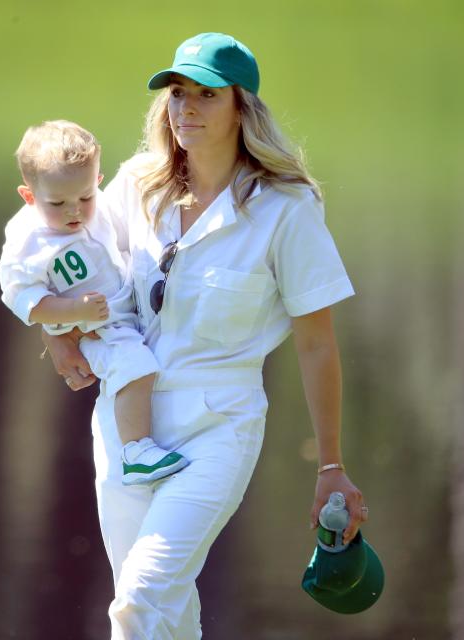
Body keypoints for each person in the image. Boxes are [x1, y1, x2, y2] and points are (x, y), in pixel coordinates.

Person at [43, 33, 369, 639]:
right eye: (176, 93)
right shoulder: (137, 184)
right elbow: (72, 263)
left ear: (242, 107)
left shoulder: (285, 209)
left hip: (218, 428)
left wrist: (331, 465)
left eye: (206, 95)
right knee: (163, 607)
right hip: (124, 427)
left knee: (139, 599)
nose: (186, 108)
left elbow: (317, 343)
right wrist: (58, 336)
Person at [0, 120, 189, 485]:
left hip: (120, 311)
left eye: (85, 197)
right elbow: (24, 300)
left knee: (140, 362)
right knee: (136, 366)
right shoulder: (29, 242)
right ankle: (135, 451)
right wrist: (74, 312)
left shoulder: (100, 209)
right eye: (58, 203)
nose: (74, 211)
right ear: (29, 196)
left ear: (98, 180)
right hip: (94, 328)